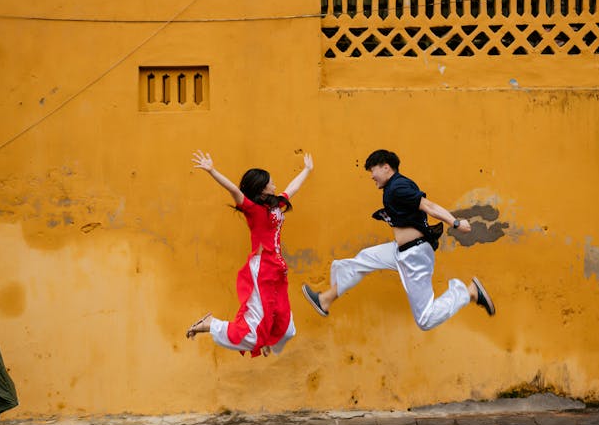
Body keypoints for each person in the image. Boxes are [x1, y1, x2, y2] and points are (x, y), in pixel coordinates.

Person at [302, 149, 494, 330]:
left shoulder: (398, 187)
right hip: (400, 250)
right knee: (362, 260)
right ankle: (325, 299)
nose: (371, 176)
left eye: (373, 170)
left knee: (425, 320)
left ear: (386, 167)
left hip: (414, 255)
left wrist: (456, 222)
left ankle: (468, 292)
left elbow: (428, 205)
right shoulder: (394, 186)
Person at [186, 150, 313, 357]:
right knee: (252, 335)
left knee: (288, 329)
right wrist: (212, 171)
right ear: (262, 189)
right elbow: (234, 190)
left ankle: (267, 341)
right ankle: (211, 324)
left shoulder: (275, 204)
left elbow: (293, 188)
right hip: (262, 269)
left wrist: (307, 170)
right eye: (271, 183)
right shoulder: (253, 209)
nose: (274, 184)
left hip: (278, 270)